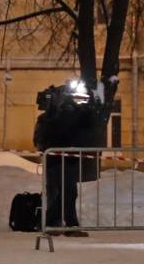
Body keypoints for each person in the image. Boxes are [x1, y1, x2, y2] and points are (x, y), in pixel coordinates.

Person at [32, 79, 96, 237]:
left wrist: (84, 108)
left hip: (65, 160)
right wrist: (71, 109)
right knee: (65, 193)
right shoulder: (53, 117)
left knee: (64, 193)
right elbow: (53, 135)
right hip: (58, 161)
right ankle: (61, 225)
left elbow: (87, 125)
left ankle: (53, 224)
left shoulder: (67, 115)